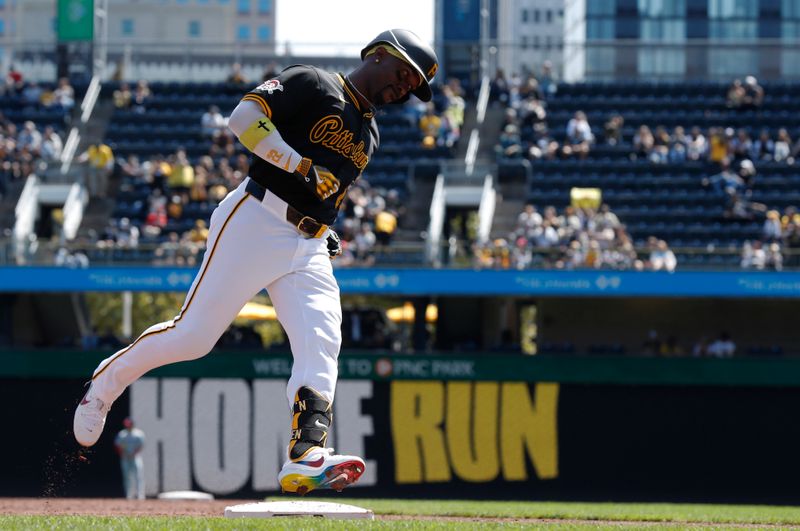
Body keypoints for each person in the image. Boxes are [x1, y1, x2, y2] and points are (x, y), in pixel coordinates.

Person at [73, 28, 439, 496]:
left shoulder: (370, 133)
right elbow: (243, 118)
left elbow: (329, 193)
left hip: (307, 244)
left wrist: (325, 232)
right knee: (194, 337)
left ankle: (307, 453)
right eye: (405, 74)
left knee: (322, 339)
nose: (406, 88)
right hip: (257, 217)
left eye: (415, 85)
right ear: (379, 55)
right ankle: (105, 383)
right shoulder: (314, 81)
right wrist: (299, 165)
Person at [114, 417, 145, 500]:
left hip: (135, 457)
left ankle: (140, 495)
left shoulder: (138, 434)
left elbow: (141, 445)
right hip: (125, 457)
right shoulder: (122, 434)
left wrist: (135, 453)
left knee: (138, 476)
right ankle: (129, 495)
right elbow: (117, 445)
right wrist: (122, 454)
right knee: (127, 477)